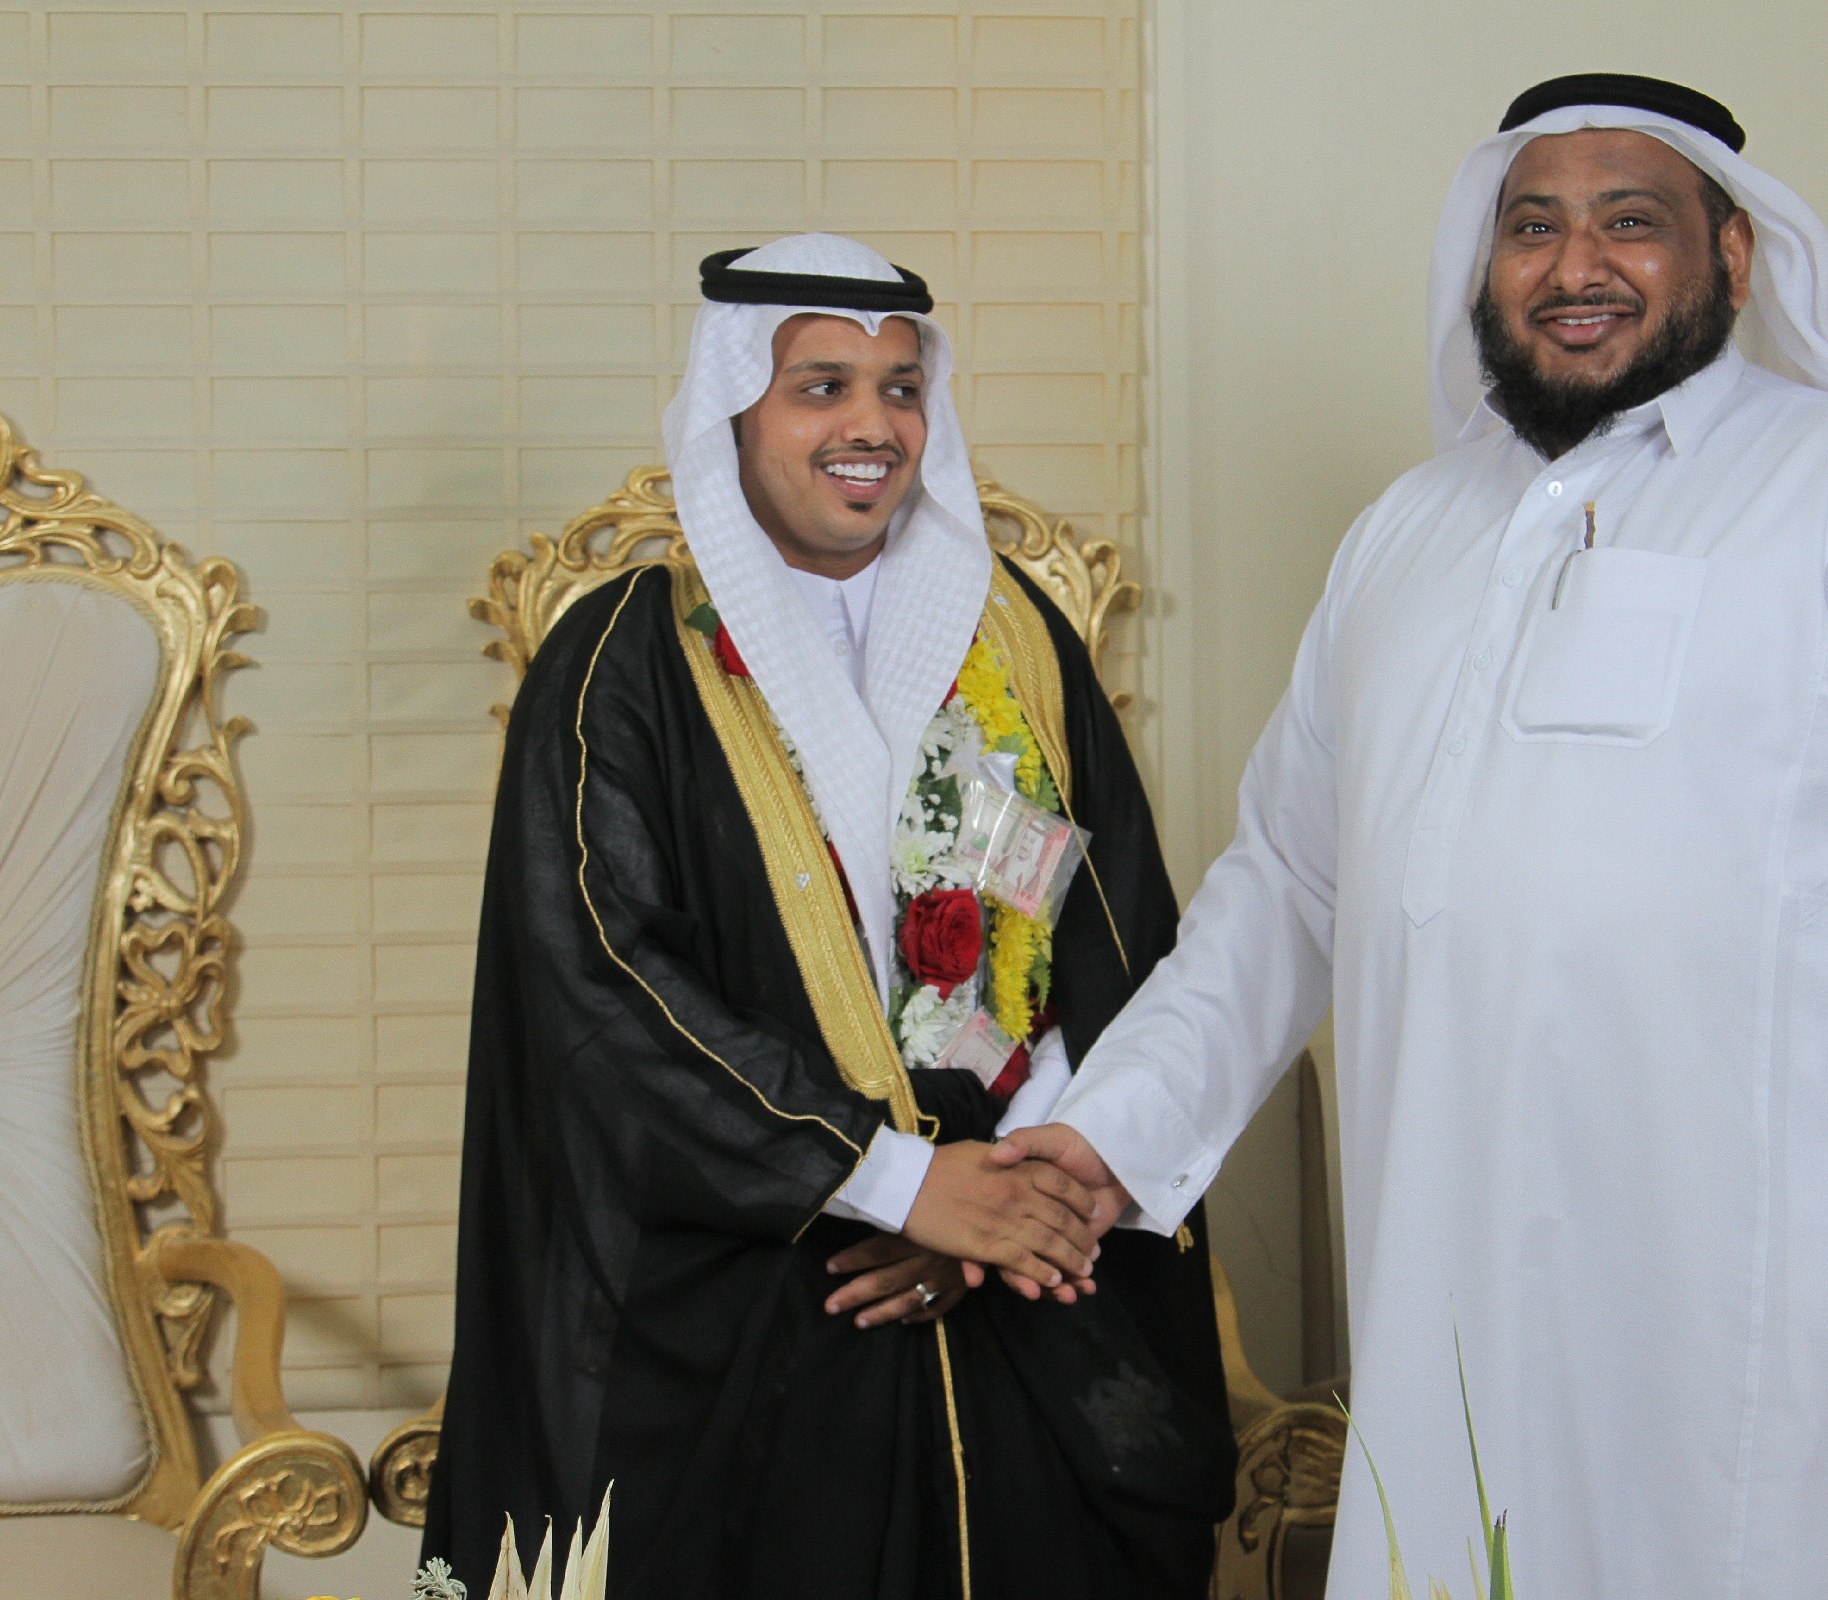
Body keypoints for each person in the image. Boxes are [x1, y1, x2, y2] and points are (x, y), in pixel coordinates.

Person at [1000, 75, 1828, 1598]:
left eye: (1630, 222)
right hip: (1456, 1269)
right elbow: (1289, 886)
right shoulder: (1406, 533)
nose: (1577, 267)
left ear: (1735, 256)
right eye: (1533, 228)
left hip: (1779, 1293)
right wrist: (1113, 1129)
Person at [423, 233, 1232, 1599]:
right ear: (733, 411)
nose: (873, 425)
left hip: (1018, 1274)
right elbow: (602, 987)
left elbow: (1115, 934)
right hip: (763, 1288)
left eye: (901, 389)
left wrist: (1010, 1198)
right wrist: (901, 1185)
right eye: (821, 387)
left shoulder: (1017, 638)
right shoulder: (621, 662)